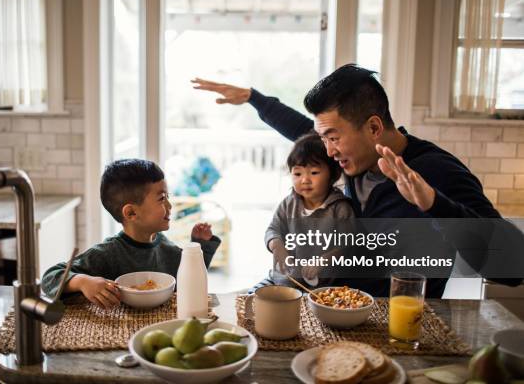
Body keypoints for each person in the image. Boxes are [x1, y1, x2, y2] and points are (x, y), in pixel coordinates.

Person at [192, 64, 522, 297]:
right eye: (325, 139)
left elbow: (512, 267)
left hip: (392, 325)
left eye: (333, 138)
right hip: (325, 302)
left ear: (374, 127)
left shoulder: (437, 172)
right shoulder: (355, 155)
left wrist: (434, 204)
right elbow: (301, 130)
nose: (328, 151)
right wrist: (255, 98)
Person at [41, 159, 221, 309]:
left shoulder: (165, 247)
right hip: (116, 332)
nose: (170, 206)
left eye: (168, 197)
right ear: (131, 213)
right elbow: (50, 278)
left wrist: (198, 245)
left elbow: (191, 278)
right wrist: (82, 281)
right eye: (161, 199)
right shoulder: (107, 254)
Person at [255, 133, 355, 291]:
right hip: (282, 280)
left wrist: (325, 260)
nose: (305, 180)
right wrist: (276, 244)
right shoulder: (289, 204)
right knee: (252, 297)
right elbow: (273, 229)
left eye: (314, 173)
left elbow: (351, 244)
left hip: (323, 288)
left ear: (333, 175)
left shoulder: (340, 208)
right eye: (297, 173)